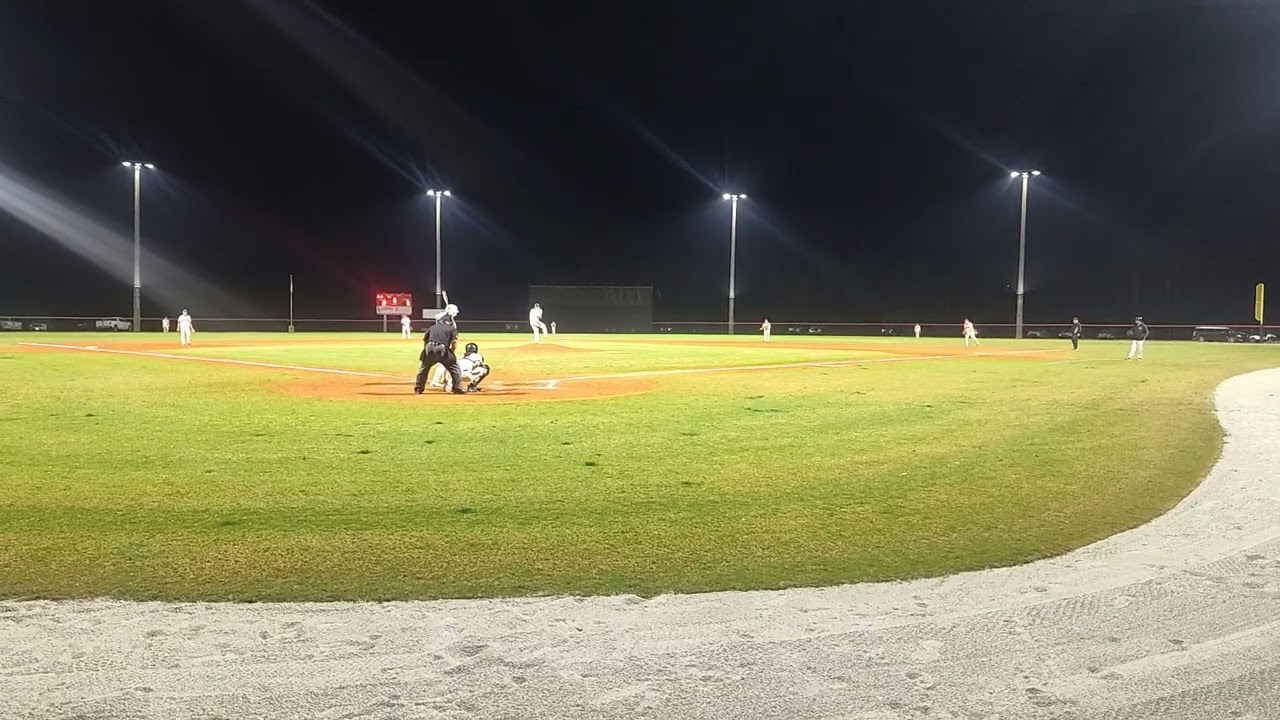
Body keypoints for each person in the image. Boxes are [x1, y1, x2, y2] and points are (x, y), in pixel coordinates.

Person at [414, 311, 466, 395]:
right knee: (454, 368)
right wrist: (451, 352)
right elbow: (454, 342)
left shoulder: (432, 327)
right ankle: (457, 388)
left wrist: (426, 351)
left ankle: (418, 388)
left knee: (424, 368)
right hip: (442, 349)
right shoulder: (451, 328)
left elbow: (425, 340)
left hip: (429, 347)